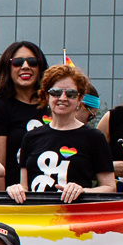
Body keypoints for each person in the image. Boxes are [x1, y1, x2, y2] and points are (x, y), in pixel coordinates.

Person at [9, 63, 115, 204]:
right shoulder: (31, 137)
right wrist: (15, 190)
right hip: (37, 218)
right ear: (47, 96)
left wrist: (83, 191)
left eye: (70, 94)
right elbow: (24, 187)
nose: (63, 98)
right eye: (56, 93)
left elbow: (109, 187)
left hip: (75, 217)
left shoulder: (94, 137)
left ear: (80, 99)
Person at [0, 40, 48, 189]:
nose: (25, 67)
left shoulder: (52, 106)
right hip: (15, 198)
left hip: (52, 195)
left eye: (32, 62)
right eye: (17, 62)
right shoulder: (0, 109)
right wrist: (0, 205)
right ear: (8, 67)